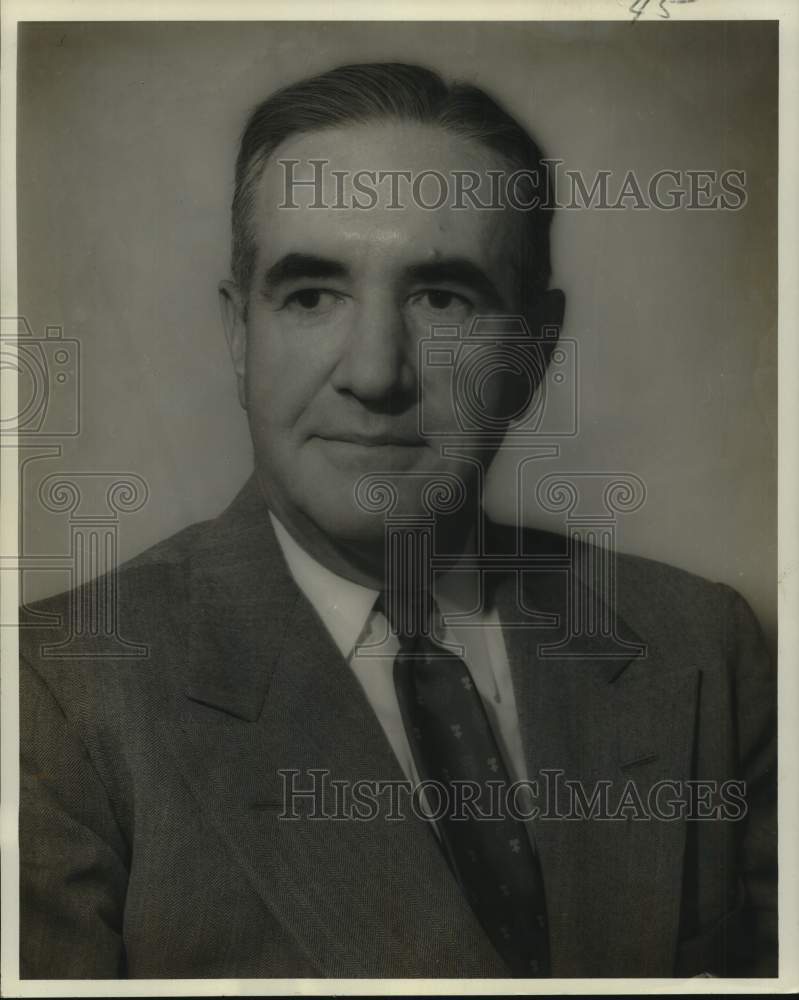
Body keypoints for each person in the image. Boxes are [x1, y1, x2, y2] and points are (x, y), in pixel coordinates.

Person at [19, 62, 777, 979]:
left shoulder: (702, 647)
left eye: (442, 298)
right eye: (311, 295)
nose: (376, 372)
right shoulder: (57, 697)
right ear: (237, 336)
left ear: (535, 351)